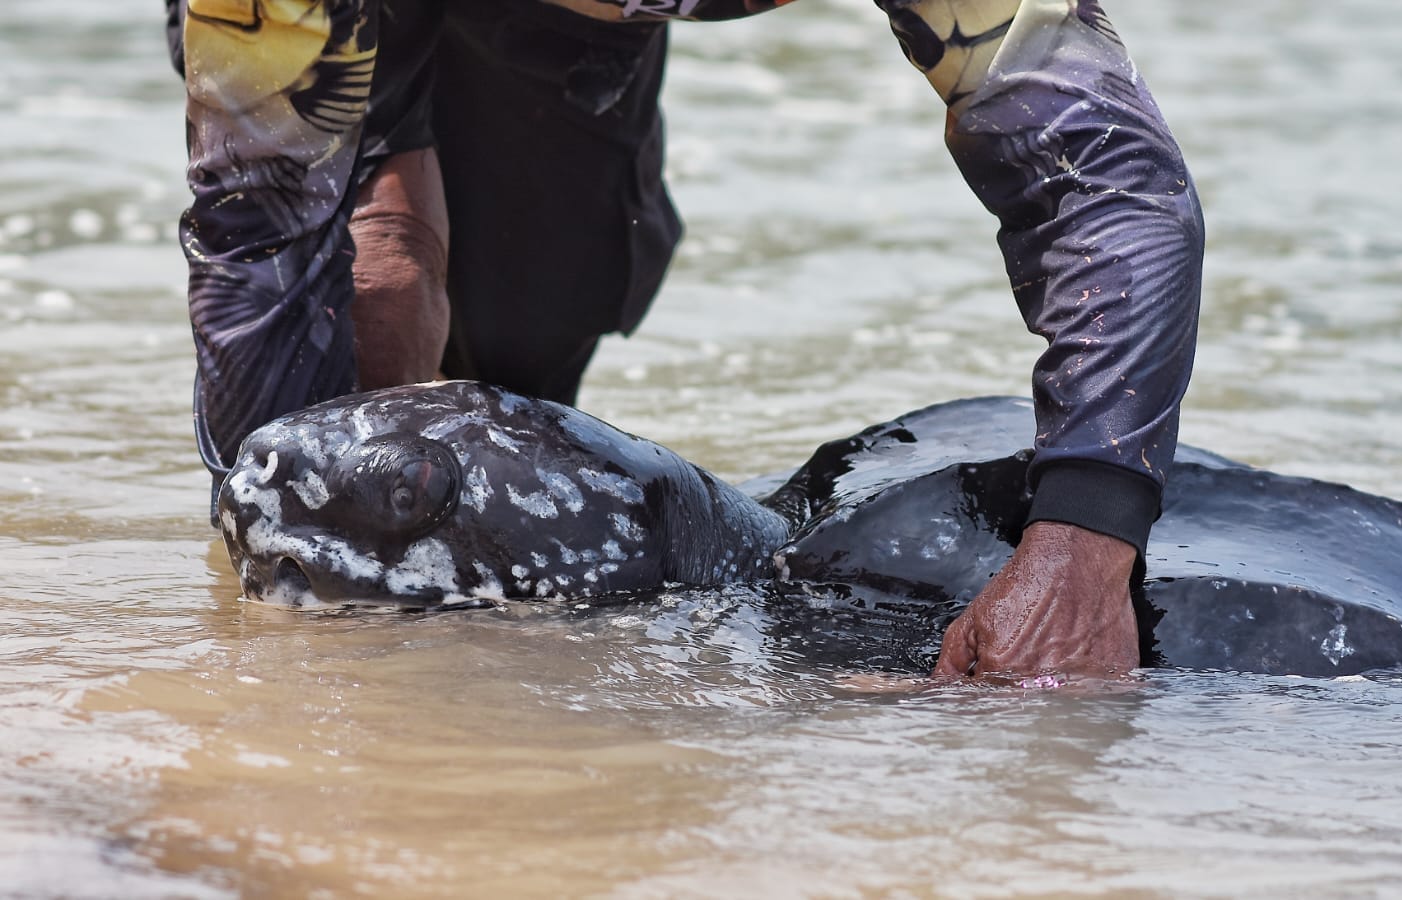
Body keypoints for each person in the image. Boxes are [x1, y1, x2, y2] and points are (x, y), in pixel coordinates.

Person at [167, 0, 1204, 679]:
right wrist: (273, 593)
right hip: (303, 26)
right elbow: (256, 235)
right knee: (375, 295)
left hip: (562, 30)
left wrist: (1083, 544)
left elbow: (1108, 186)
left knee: (533, 332)